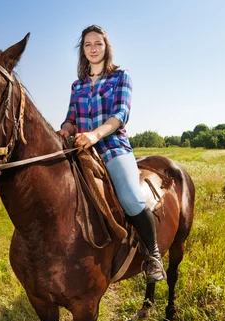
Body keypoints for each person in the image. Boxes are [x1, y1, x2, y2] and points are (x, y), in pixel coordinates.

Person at [57, 25, 165, 283]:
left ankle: (154, 256)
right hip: (80, 148)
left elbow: (121, 114)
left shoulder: (121, 76)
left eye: (98, 44)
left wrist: (95, 134)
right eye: (87, 45)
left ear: (106, 48)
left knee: (129, 197)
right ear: (82, 51)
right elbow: (71, 118)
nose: (93, 49)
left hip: (113, 147)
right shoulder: (77, 85)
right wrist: (64, 130)